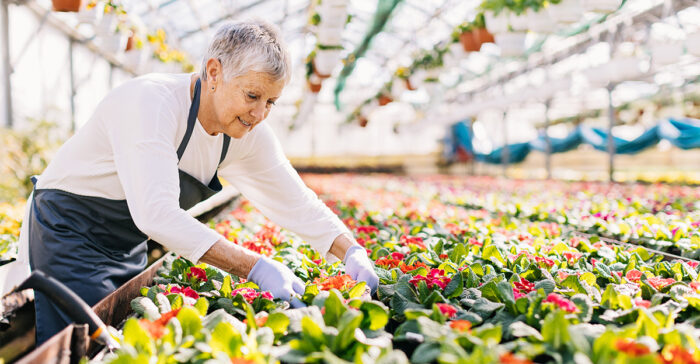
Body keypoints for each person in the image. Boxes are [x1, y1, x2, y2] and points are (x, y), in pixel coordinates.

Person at [16, 20, 378, 344]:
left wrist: (350, 250)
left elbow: (295, 200)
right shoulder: (151, 103)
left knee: (118, 338)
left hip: (126, 243)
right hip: (69, 232)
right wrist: (256, 267)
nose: (259, 114)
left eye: (271, 101)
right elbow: (156, 214)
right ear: (214, 72)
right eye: (252, 96)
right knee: (85, 344)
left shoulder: (247, 132)